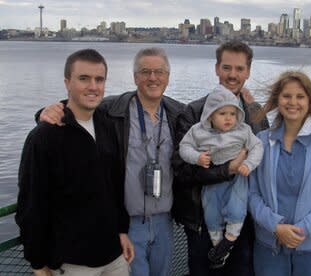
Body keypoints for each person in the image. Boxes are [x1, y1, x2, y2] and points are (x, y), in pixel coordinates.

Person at [37, 47, 185, 276]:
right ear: (135, 77)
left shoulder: (179, 114)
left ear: (168, 76)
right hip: (129, 222)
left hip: (165, 221)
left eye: (159, 72)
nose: (152, 78)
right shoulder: (114, 110)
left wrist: (251, 105)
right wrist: (46, 112)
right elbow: (80, 105)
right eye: (145, 72)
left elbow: (218, 120)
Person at [15, 49, 134, 276]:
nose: (93, 86)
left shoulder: (107, 126)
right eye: (83, 78)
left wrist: (121, 230)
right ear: (67, 82)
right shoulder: (44, 137)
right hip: (71, 263)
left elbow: (115, 187)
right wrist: (38, 264)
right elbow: (31, 204)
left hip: (114, 256)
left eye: (99, 79)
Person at [172, 41, 269, 276]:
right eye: (227, 68)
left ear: (248, 71)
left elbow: (265, 163)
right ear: (217, 69)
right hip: (202, 221)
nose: (232, 75)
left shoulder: (256, 116)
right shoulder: (194, 113)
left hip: (245, 223)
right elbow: (180, 169)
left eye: (239, 69)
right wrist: (227, 169)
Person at [248, 71, 311, 276]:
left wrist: (302, 230)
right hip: (270, 247)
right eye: (287, 96)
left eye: (300, 97)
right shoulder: (261, 141)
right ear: (278, 99)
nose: (293, 102)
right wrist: (276, 226)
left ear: (310, 101)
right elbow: (252, 193)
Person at [179, 85, 263, 268]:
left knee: (236, 208)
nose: (228, 118)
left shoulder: (243, 130)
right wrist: (197, 157)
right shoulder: (198, 131)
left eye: (232, 114)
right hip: (212, 179)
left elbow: (258, 147)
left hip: (238, 178)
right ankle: (219, 248)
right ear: (210, 115)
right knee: (211, 210)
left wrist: (248, 164)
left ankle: (229, 240)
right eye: (222, 113)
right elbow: (184, 148)